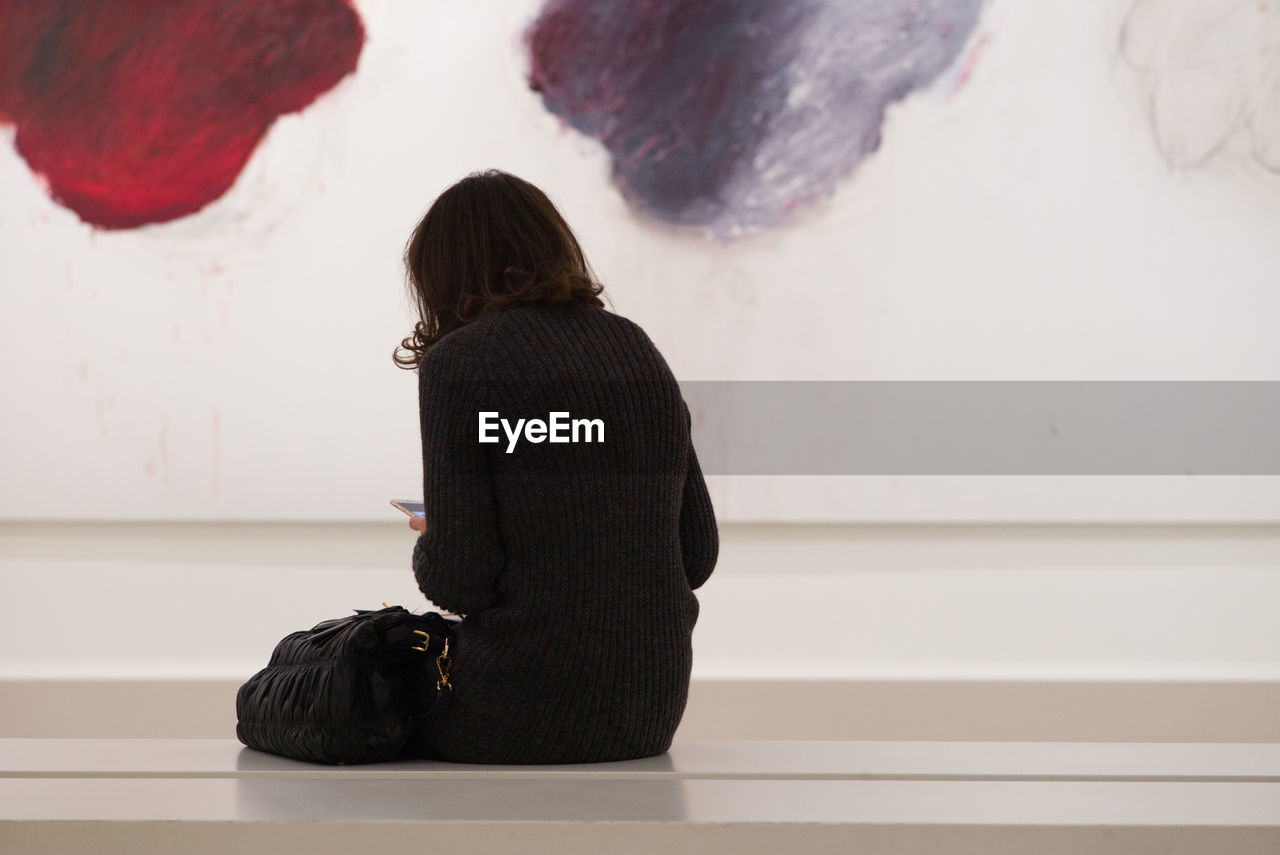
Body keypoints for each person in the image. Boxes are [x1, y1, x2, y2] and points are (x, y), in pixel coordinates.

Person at [393, 169, 718, 764]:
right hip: (649, 709)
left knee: (320, 692)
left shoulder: (460, 363)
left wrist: (432, 535)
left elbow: (458, 576)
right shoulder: (633, 346)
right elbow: (696, 554)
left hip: (515, 708)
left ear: (437, 274)